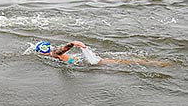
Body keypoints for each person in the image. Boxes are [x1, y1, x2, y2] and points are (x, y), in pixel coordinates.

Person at [35, 41, 170, 66]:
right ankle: (155, 63)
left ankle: (157, 63)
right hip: (81, 60)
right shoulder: (52, 54)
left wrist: (73, 43)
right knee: (121, 61)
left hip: (84, 62)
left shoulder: (53, 54)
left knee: (123, 62)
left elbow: (63, 49)